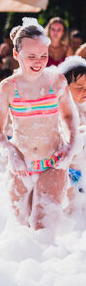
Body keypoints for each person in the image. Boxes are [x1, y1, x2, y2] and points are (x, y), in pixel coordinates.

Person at [0, 18, 79, 230]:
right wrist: (10, 151)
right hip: (21, 164)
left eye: (43, 56)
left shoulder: (56, 81)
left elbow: (70, 117)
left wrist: (71, 146)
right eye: (32, 56)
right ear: (16, 55)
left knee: (42, 227)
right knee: (22, 229)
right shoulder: (8, 88)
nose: (39, 62)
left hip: (53, 162)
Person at [59, 56, 86, 209]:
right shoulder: (63, 111)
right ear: (66, 89)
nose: (85, 91)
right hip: (72, 170)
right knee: (72, 203)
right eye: (79, 87)